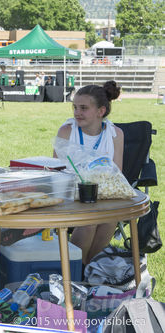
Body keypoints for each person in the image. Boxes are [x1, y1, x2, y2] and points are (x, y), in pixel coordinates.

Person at [54, 81, 124, 265]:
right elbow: (56, 170)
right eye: (75, 107)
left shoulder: (115, 134)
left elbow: (117, 173)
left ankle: (90, 266)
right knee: (89, 222)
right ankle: (75, 268)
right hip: (72, 194)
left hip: (103, 195)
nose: (77, 112)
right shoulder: (67, 131)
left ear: (101, 111)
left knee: (110, 220)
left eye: (83, 108)